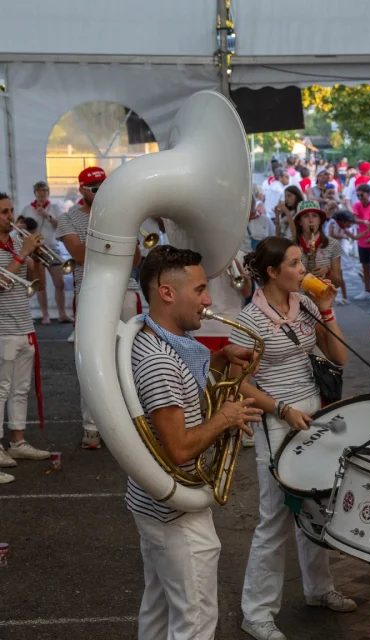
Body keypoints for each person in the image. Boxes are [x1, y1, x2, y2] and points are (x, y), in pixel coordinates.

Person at [129, 245, 262, 639]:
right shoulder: (159, 360)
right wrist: (225, 418)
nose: (208, 301)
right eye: (201, 290)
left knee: (159, 610)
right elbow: (181, 448)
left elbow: (184, 393)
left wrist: (219, 360)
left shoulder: (158, 338)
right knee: (196, 621)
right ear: (167, 293)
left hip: (155, 503)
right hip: (176, 512)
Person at [228, 237, 356, 640]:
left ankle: (318, 588)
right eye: (296, 263)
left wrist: (330, 308)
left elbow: (340, 357)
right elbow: (240, 384)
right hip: (276, 419)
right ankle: (257, 612)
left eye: (302, 263)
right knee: (276, 516)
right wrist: (282, 409)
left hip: (313, 411)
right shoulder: (248, 320)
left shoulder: (308, 305)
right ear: (272, 272)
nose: (305, 270)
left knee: (317, 502)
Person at [56, 166, 142, 449]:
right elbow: (80, 255)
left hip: (126, 292)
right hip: (92, 292)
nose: (100, 191)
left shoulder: (123, 212)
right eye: (94, 188)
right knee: (92, 360)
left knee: (129, 359)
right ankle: (92, 426)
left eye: (103, 186)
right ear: (81, 190)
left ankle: (131, 424)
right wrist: (107, 229)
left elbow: (136, 259)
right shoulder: (68, 219)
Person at [0, 193, 51, 483]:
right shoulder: (10, 248)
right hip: (3, 329)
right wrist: (22, 255)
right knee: (1, 390)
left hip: (24, 326)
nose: (10, 217)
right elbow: (1, 284)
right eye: (4, 213)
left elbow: (39, 286)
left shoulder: (17, 244)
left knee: (20, 389)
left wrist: (36, 258)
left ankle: (17, 442)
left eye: (10, 211)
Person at [19, 181, 71, 324]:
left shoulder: (54, 208)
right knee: (41, 284)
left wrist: (46, 215)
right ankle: (45, 315)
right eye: (39, 191)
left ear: (48, 193)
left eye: (45, 191)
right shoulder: (27, 209)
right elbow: (20, 226)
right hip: (36, 250)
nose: (42, 193)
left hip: (51, 248)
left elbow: (60, 226)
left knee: (59, 283)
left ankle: (62, 314)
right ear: (34, 193)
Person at [293, 200, 343, 289]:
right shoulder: (290, 245)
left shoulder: (333, 244)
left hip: (323, 300)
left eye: (315, 216)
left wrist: (328, 272)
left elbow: (338, 283)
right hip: (296, 300)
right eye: (305, 216)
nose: (311, 220)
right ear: (300, 221)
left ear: (320, 220)